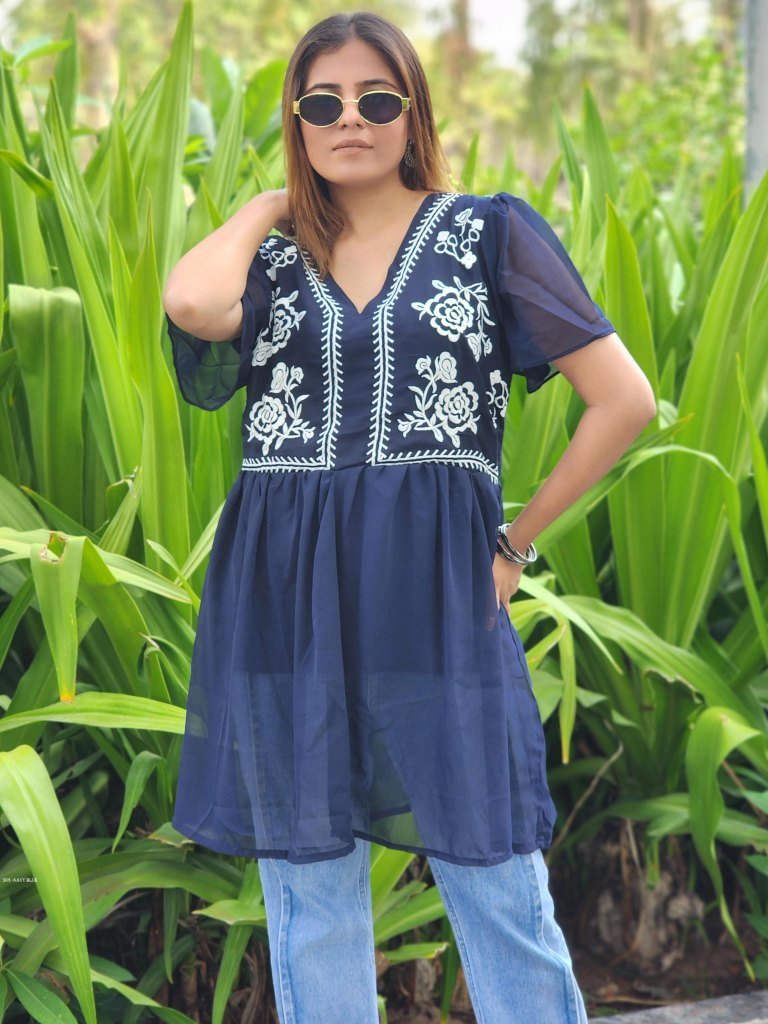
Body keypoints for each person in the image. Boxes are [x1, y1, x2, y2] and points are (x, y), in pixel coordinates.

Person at [162, 11, 656, 1024]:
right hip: (286, 597)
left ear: (414, 111)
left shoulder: (486, 234)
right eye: (322, 104)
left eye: (376, 98)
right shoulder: (271, 263)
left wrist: (515, 545)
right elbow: (192, 307)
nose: (351, 118)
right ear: (296, 122)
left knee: (495, 870)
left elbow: (624, 401)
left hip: (434, 592)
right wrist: (268, 202)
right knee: (309, 895)